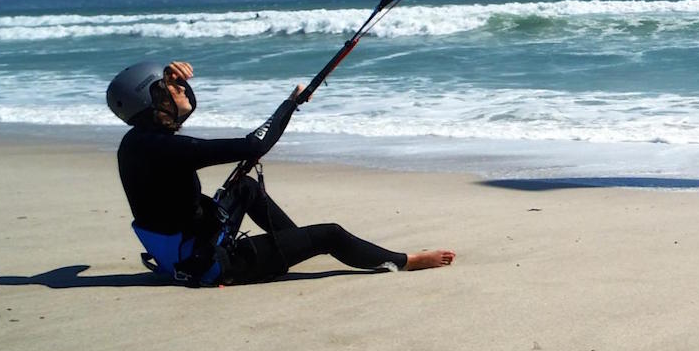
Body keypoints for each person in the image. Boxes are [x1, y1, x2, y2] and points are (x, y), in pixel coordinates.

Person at [108, 60, 454, 285]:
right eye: (169, 87)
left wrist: (166, 81)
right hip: (207, 265)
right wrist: (289, 106)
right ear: (150, 101)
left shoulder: (140, 143)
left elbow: (231, 146)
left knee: (245, 186)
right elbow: (252, 146)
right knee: (330, 234)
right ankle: (406, 261)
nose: (182, 88)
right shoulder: (161, 148)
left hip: (187, 247)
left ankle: (294, 246)